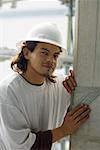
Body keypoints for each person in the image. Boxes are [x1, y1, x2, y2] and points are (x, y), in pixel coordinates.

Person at [0, 22, 90, 150]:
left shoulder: (61, 85)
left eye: (55, 55)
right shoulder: (9, 90)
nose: (51, 60)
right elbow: (21, 147)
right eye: (44, 53)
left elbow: (91, 86)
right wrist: (63, 130)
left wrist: (78, 82)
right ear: (26, 53)